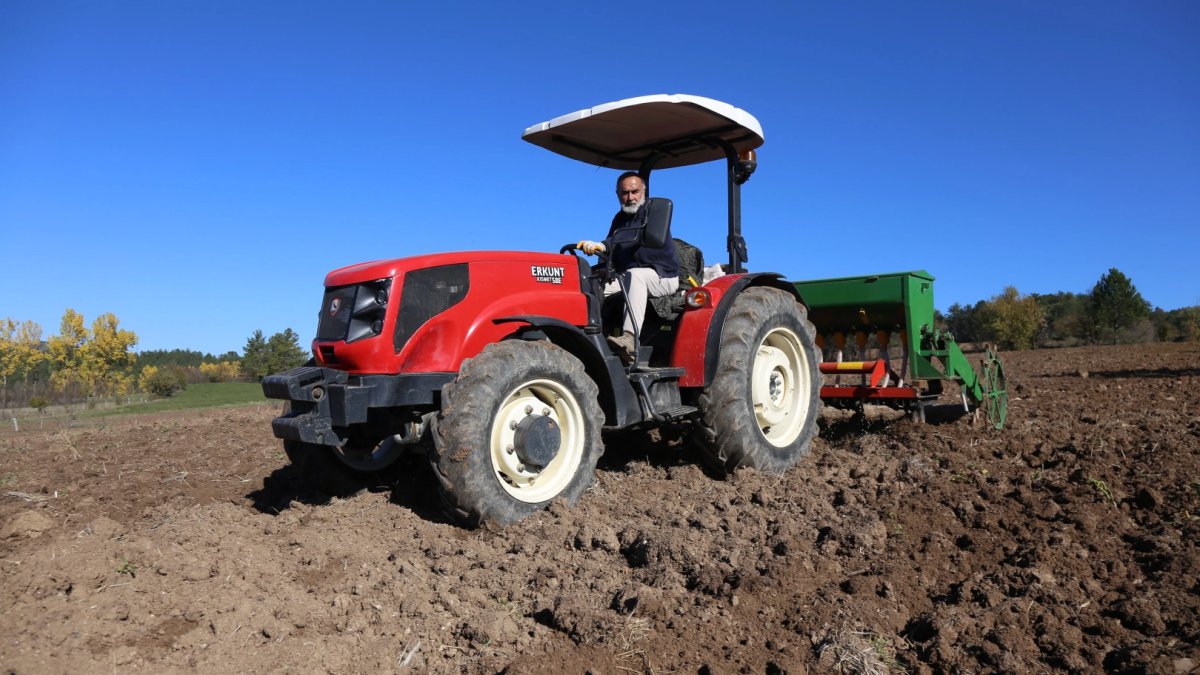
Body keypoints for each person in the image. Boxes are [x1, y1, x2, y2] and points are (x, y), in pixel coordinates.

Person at [578, 171, 679, 363]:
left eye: (635, 192)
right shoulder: (620, 218)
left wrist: (603, 245)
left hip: (662, 276)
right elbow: (612, 245)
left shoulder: (653, 213)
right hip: (627, 277)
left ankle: (630, 339)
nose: (630, 197)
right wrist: (601, 264)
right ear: (617, 194)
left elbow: (630, 238)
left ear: (643, 191)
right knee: (589, 283)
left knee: (636, 275)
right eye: (625, 193)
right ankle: (585, 334)